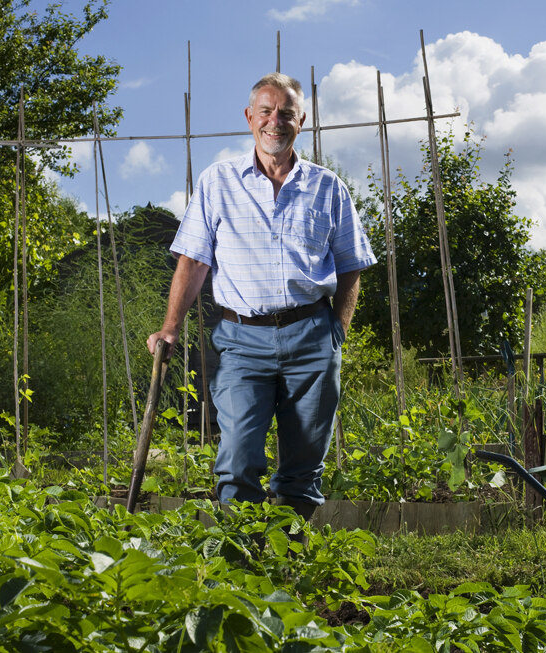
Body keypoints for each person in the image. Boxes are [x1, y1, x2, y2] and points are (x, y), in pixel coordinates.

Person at [146, 72, 376, 520]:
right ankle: (243, 569)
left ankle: (289, 564)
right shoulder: (218, 182)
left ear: (301, 120)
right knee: (236, 461)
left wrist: (337, 333)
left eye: (286, 112)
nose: (275, 121)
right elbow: (193, 261)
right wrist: (170, 327)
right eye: (266, 111)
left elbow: (351, 267)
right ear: (250, 117)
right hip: (241, 339)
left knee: (303, 469)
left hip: (311, 336)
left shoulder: (328, 187)